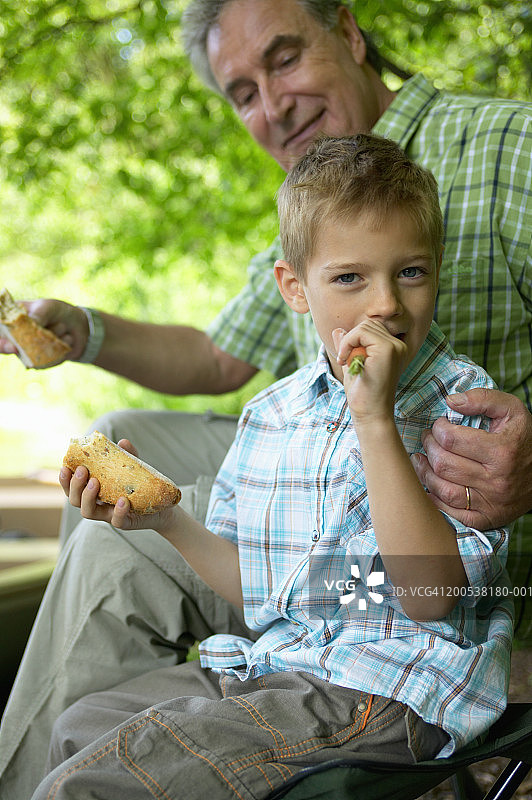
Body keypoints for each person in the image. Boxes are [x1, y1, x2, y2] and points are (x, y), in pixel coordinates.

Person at [0, 0, 530, 794]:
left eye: (283, 60)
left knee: (93, 780)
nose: (272, 105)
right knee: (83, 719)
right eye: (242, 91)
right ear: (297, 287)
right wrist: (167, 513)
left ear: (349, 33)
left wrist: (380, 419)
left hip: (401, 637)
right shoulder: (304, 230)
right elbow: (219, 362)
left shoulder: (505, 150)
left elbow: (425, 593)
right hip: (318, 603)